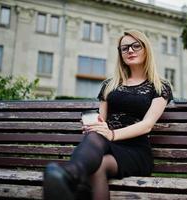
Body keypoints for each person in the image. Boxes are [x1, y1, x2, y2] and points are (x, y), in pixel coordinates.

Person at [43, 30, 173, 200]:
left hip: (136, 151)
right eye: (124, 48)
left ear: (146, 49)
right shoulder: (109, 85)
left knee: (98, 158)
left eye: (136, 46)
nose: (130, 51)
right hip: (107, 145)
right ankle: (71, 175)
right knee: (96, 146)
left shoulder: (160, 86)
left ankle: (70, 177)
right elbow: (101, 120)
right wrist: (93, 125)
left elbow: (147, 124)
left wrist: (112, 134)